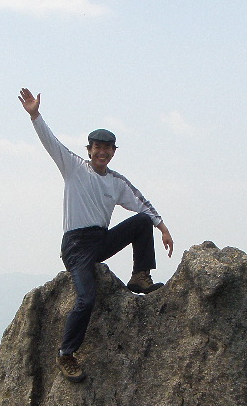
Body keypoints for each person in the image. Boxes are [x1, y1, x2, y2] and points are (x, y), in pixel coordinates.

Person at [19, 87, 173, 383]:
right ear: (89, 150)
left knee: (141, 221)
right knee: (87, 298)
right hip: (76, 246)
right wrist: (35, 114)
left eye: (107, 148)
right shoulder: (74, 167)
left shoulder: (116, 182)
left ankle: (140, 276)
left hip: (100, 240)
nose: (102, 152)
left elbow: (142, 204)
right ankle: (66, 353)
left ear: (114, 152)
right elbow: (50, 143)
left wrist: (162, 227)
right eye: (97, 148)